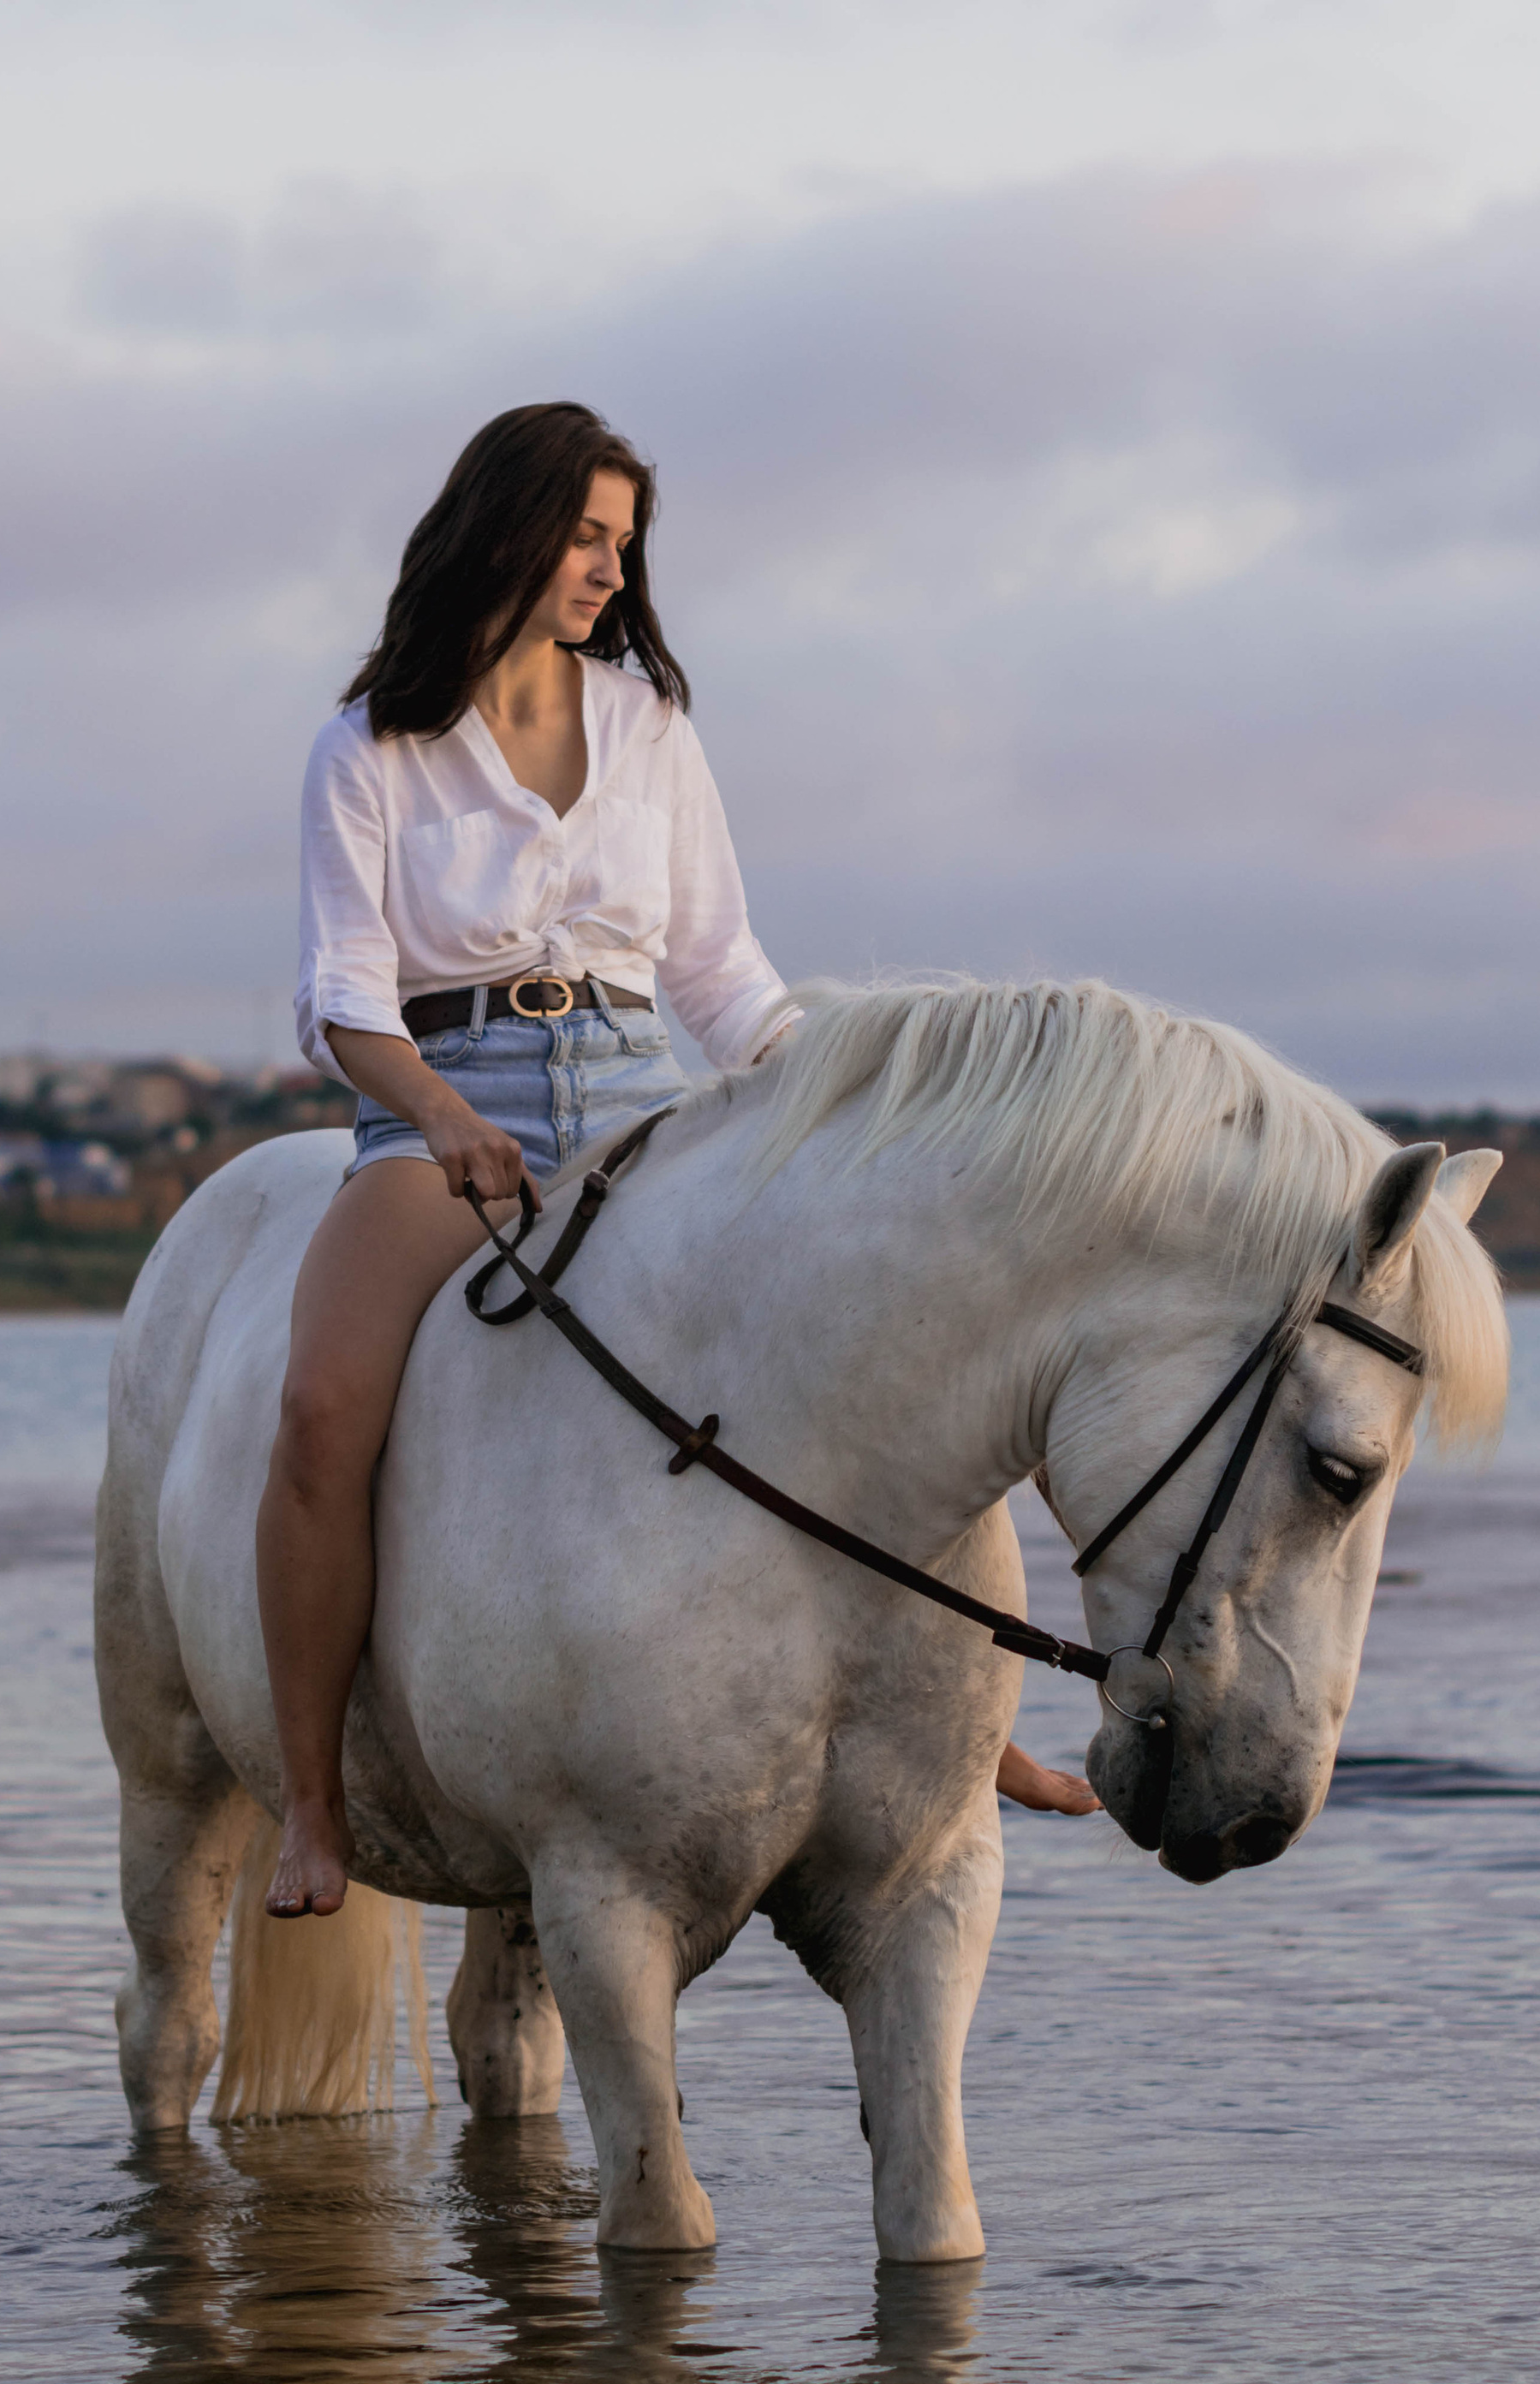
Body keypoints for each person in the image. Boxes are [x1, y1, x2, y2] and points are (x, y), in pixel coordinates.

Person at [258, 404, 1091, 1918]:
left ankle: (972, 1730)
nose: (606, 569)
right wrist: (441, 1114)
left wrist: (826, 1107)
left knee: (888, 1326)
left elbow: (714, 970)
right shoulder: (368, 747)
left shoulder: (649, 728)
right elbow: (344, 1000)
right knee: (321, 1412)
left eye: (621, 545)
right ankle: (313, 1805)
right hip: (447, 1098)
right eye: (584, 536)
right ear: (504, 529)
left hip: (646, 1087)